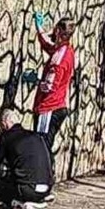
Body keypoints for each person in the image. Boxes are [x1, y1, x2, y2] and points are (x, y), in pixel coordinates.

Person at [0, 108, 53, 209]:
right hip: (46, 188)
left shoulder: (7, 137)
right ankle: (11, 205)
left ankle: (18, 204)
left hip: (27, 189)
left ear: (4, 123)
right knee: (14, 177)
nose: (0, 130)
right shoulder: (36, 136)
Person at [25, 13, 76, 162]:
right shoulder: (66, 50)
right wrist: (39, 28)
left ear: (59, 31)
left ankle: (43, 181)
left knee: (42, 146)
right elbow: (49, 46)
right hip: (57, 106)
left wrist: (36, 81)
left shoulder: (58, 61)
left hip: (49, 108)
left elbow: (50, 86)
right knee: (43, 145)